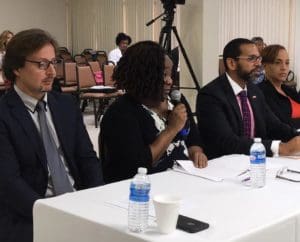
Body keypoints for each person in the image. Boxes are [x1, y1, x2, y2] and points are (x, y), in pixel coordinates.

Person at [0, 28, 104, 242]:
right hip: (31, 214)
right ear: (17, 68)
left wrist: (95, 201)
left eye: (53, 63)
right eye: (41, 65)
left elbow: (87, 159)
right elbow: (9, 183)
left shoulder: (65, 104)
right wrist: (53, 216)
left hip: (80, 206)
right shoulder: (4, 115)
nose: (52, 73)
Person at [100, 41, 207, 183]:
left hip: (183, 180)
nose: (169, 81)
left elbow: (193, 138)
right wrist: (171, 130)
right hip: (143, 188)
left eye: (171, 73)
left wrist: (196, 152)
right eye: (163, 75)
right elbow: (135, 166)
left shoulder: (176, 99)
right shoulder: (121, 113)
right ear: (143, 77)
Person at [196, 38, 300, 159]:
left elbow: (274, 125)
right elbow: (227, 142)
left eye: (258, 58)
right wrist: (281, 148)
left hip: (256, 163)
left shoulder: (254, 91)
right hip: (224, 167)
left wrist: (296, 135)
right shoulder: (210, 95)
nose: (258, 64)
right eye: (251, 59)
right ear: (232, 63)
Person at [258, 44, 300, 129]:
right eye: (277, 62)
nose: (284, 67)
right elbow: (281, 124)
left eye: (287, 63)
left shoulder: (289, 90)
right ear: (264, 65)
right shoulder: (261, 91)